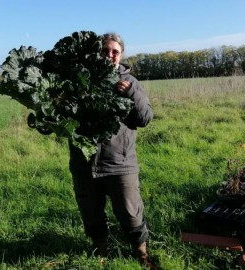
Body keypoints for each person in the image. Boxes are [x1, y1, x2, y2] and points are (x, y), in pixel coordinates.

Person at [68, 32, 155, 268]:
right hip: (84, 163)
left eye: (114, 51)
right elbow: (61, 114)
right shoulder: (78, 81)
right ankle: (100, 252)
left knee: (130, 214)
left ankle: (141, 252)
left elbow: (145, 118)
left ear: (121, 55)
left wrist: (131, 94)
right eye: (104, 51)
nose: (109, 55)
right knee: (91, 213)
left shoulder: (131, 82)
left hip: (120, 162)